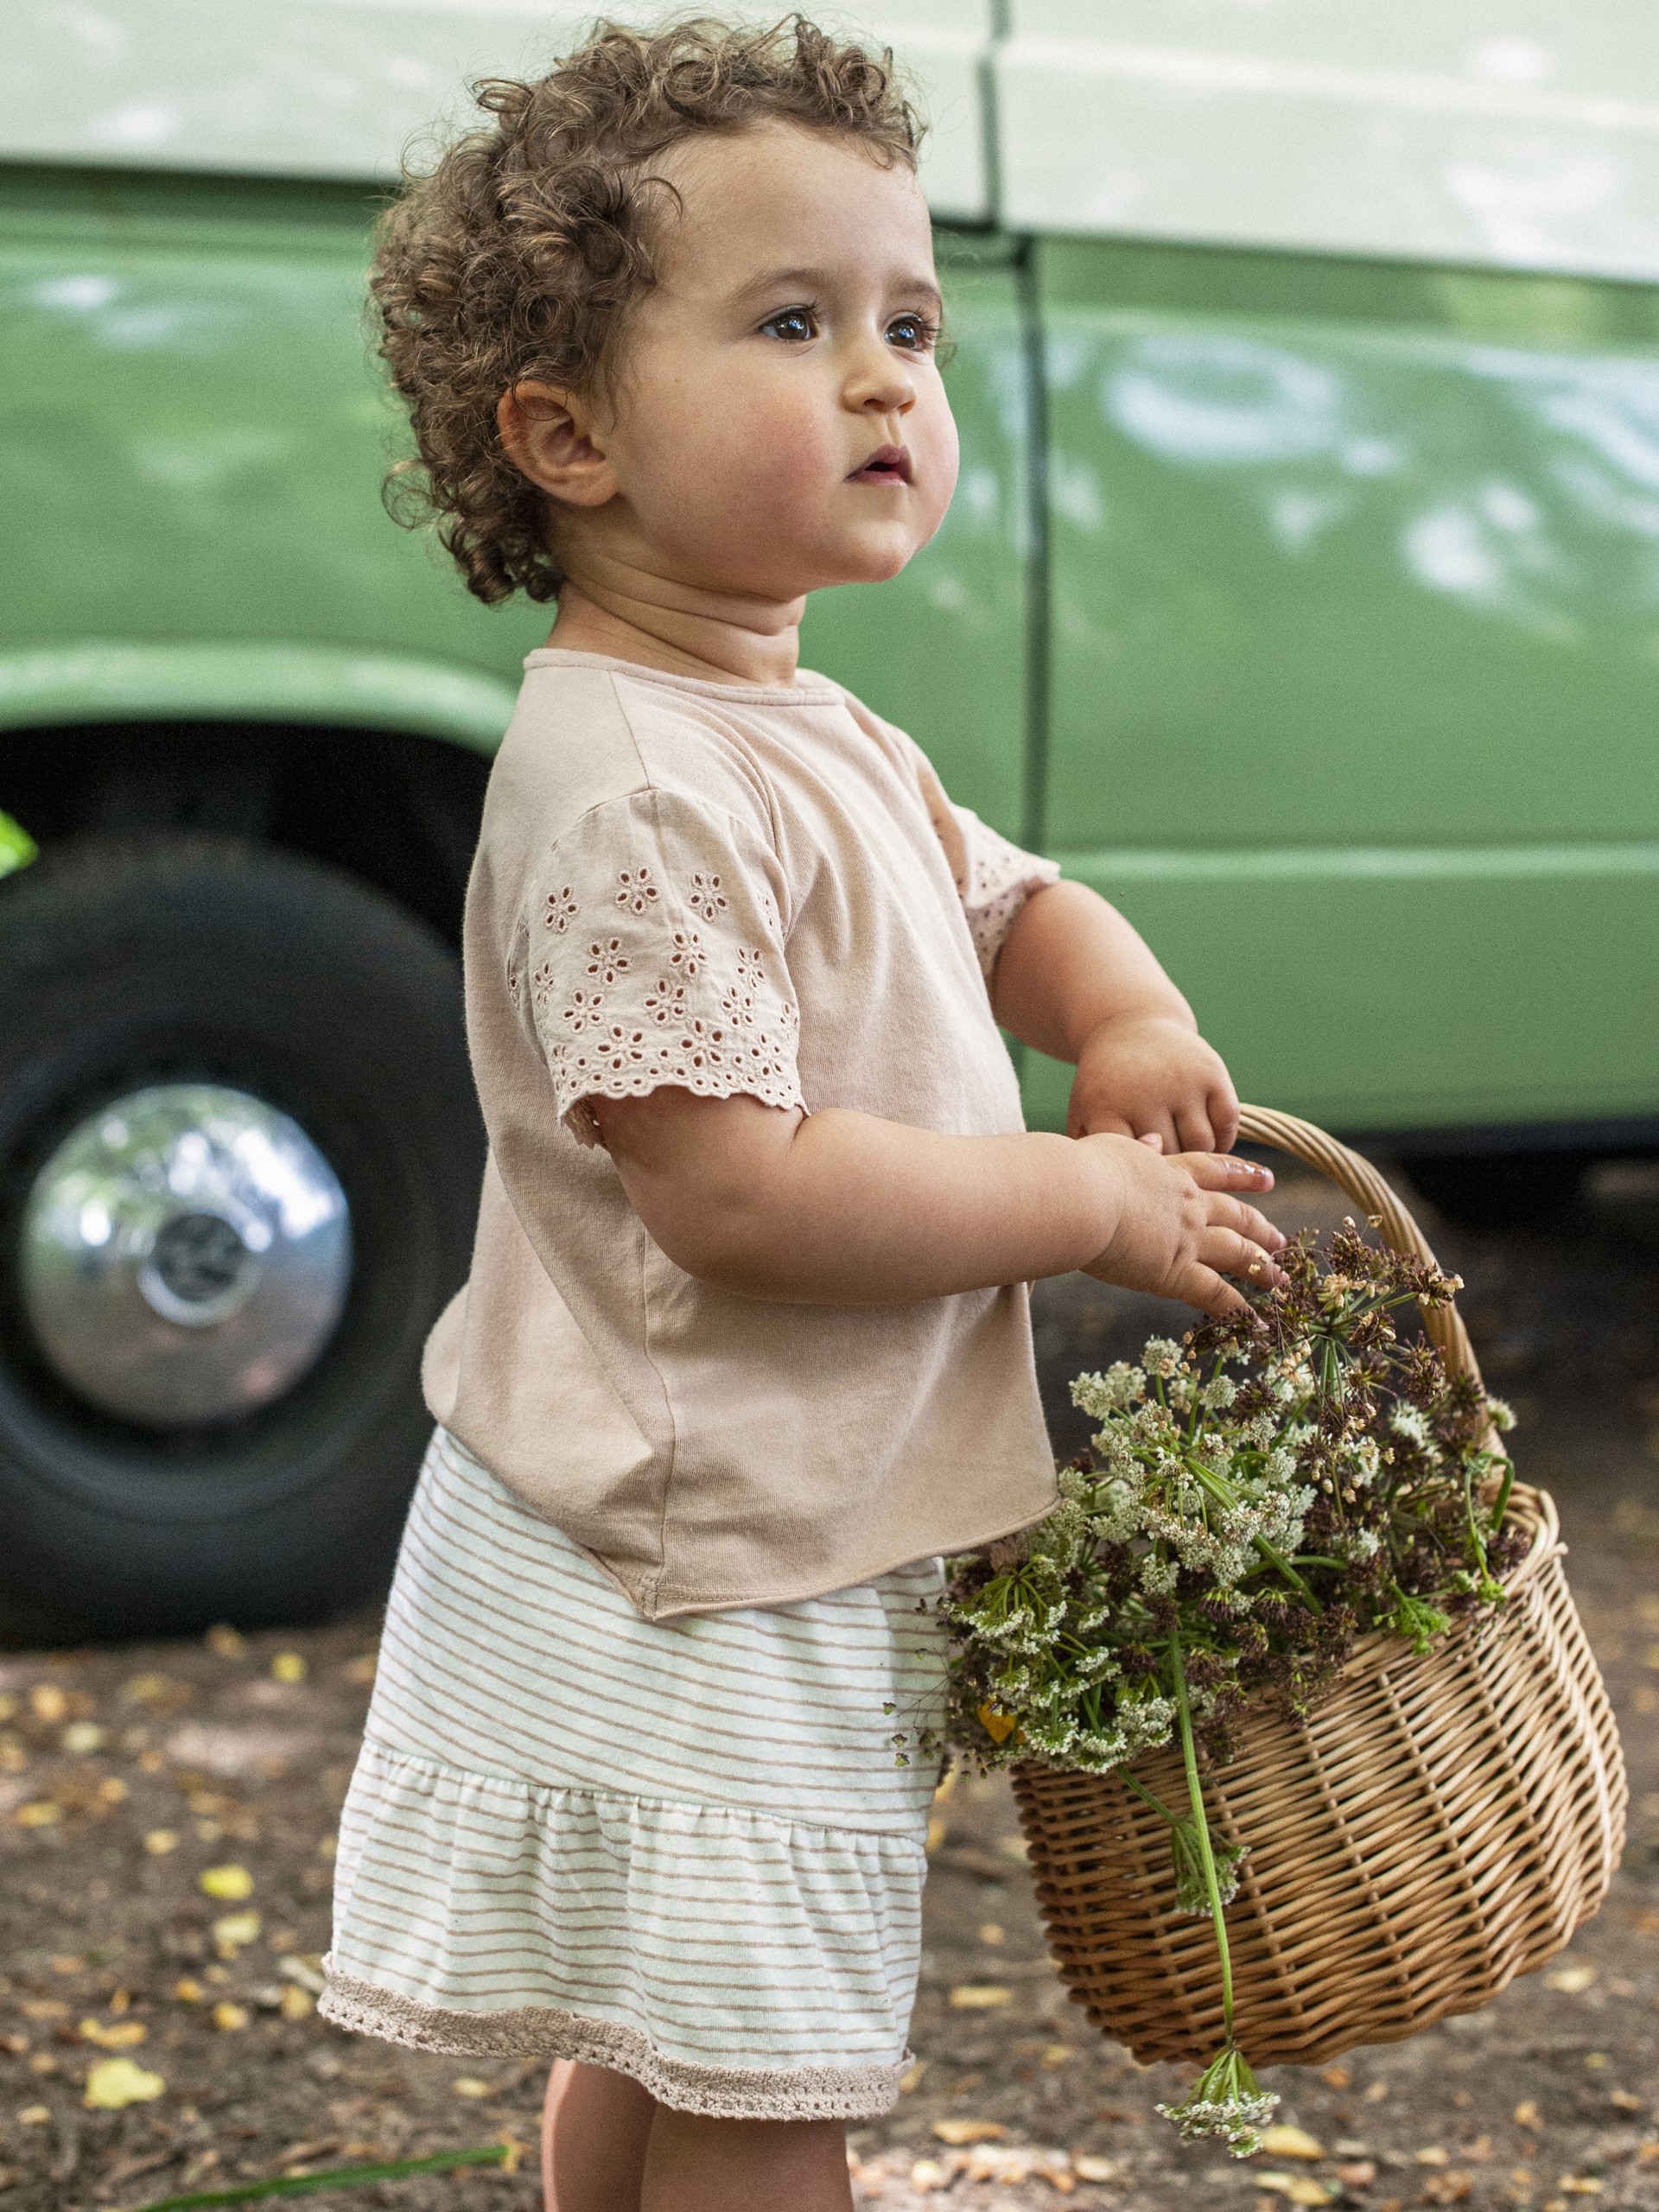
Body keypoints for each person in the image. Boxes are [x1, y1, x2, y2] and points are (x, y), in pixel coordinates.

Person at [317, 18, 1287, 2209]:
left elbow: (999, 891)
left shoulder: (793, 710)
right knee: (770, 2072)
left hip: (783, 1509)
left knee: (677, 2019)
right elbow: (736, 1192)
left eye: (907, 323)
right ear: (566, 433)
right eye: (794, 322)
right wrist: (1078, 1199)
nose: (885, 380)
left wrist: (1110, 1010)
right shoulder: (627, 783)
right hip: (696, 1543)